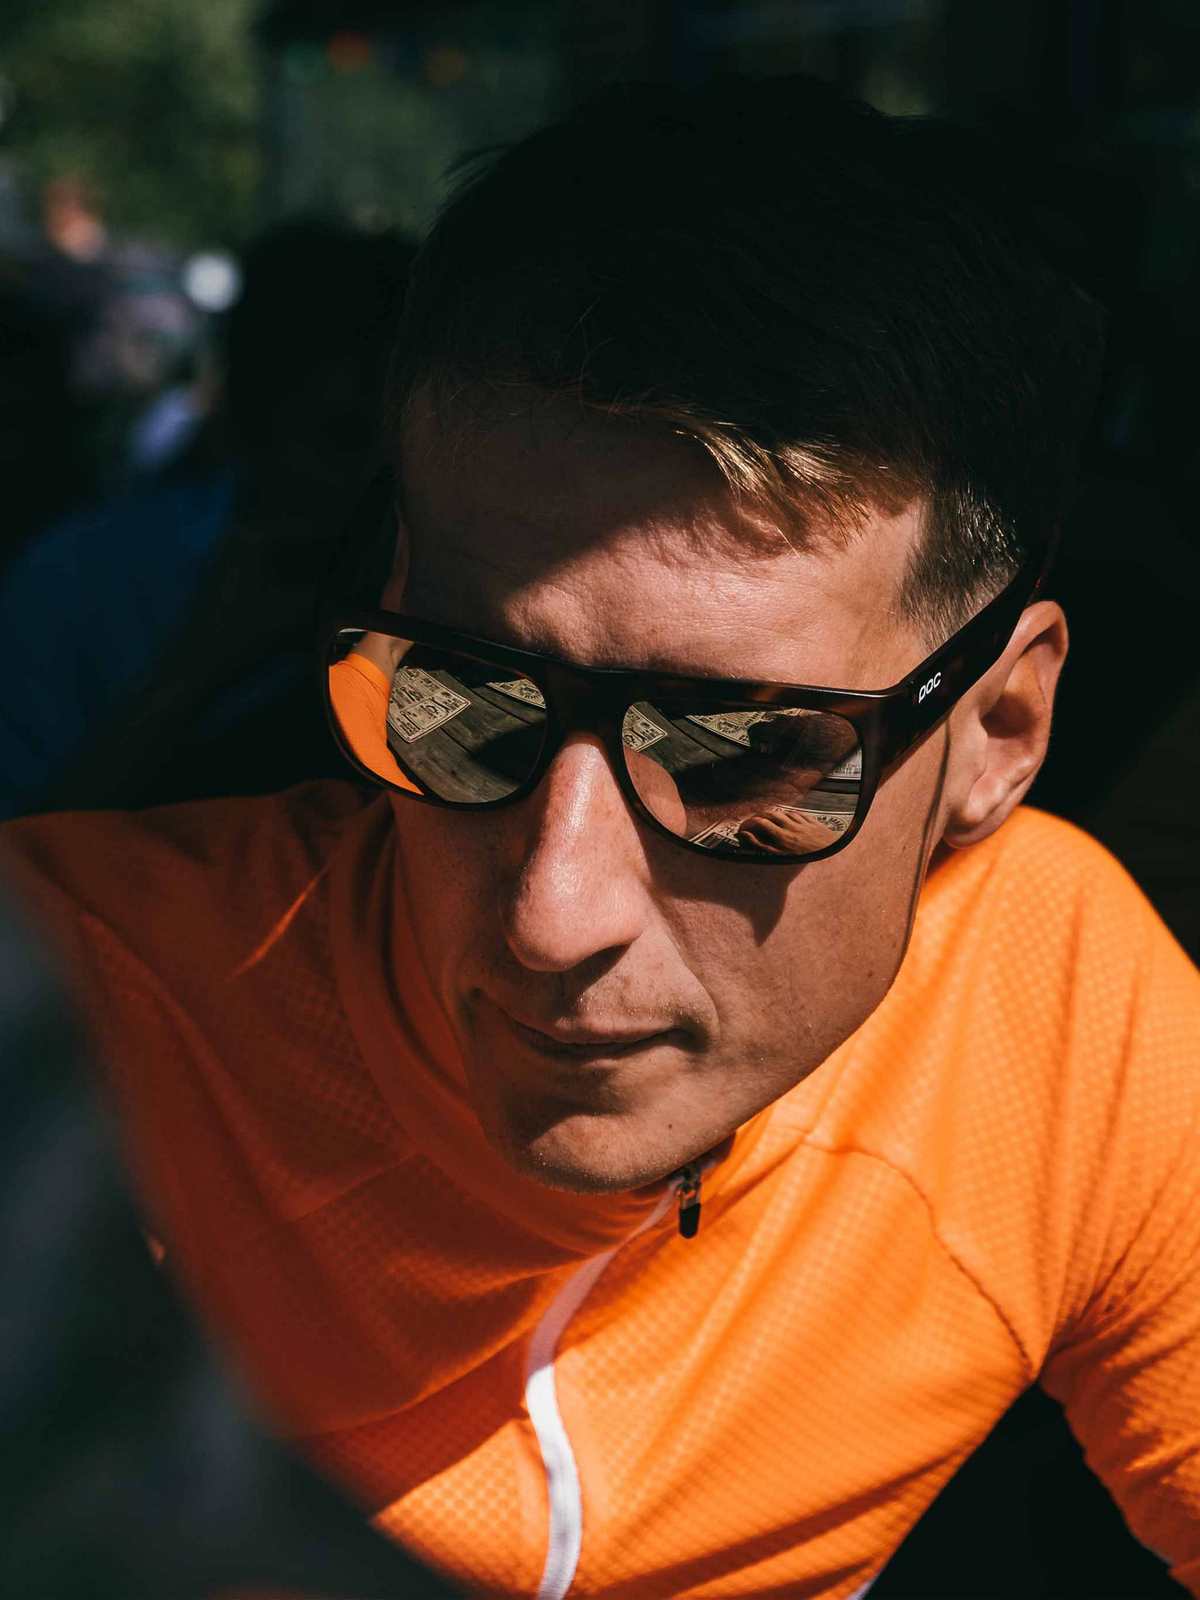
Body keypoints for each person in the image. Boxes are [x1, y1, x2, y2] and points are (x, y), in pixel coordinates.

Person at [4, 77, 1198, 1600]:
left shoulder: (1058, 1004)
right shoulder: (69, 1031)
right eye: (461, 702)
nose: (552, 913)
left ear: (1000, 735)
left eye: (742, 753)